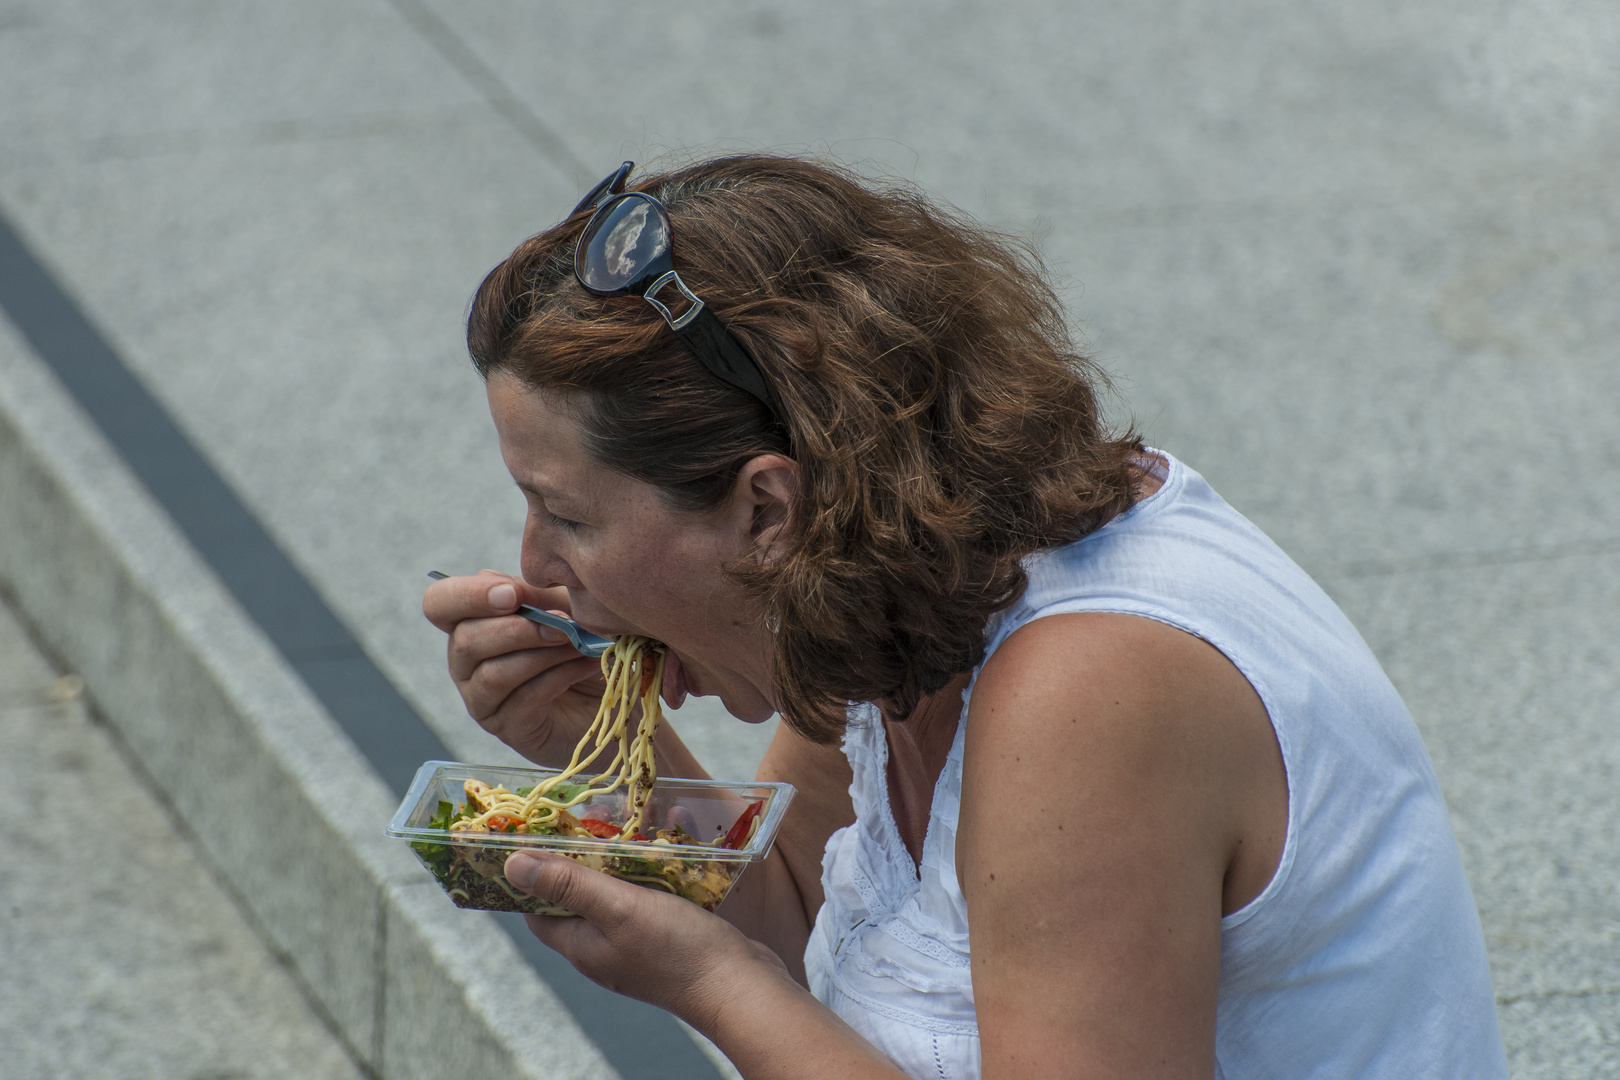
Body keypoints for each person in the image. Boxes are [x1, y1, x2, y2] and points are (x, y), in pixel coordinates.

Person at [423, 154, 1507, 1079]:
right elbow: (808, 921)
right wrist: (607, 755)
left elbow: (761, 977)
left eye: (562, 513)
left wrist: (707, 984)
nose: (532, 567)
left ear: (765, 507)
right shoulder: (892, 575)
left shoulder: (1090, 693)